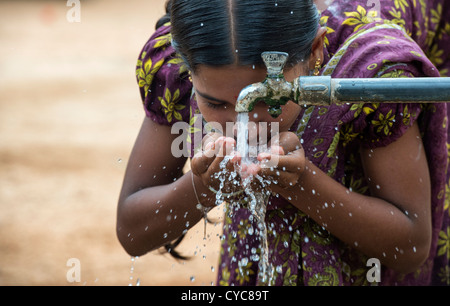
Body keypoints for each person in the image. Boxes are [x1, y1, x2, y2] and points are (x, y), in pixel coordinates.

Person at [117, 0, 450, 285]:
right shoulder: (179, 66)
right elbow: (132, 232)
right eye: (216, 104)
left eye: (266, 100)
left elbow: (410, 247)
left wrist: (303, 184)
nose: (243, 127)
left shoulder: (372, 76)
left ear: (317, 53)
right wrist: (204, 187)